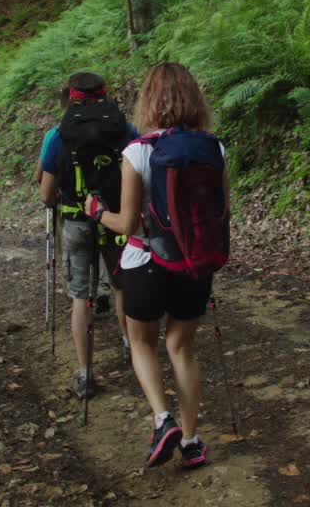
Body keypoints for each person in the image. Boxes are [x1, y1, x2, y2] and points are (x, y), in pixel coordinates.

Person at [85, 62, 223, 470]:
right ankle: (193, 441)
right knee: (182, 346)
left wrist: (97, 212)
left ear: (148, 102)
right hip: (195, 263)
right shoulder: (214, 148)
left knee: (142, 341)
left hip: (144, 259)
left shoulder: (137, 151)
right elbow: (220, 212)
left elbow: (126, 223)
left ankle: (163, 421)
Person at [39, 73, 135, 398]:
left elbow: (45, 194)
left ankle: (85, 373)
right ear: (105, 95)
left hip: (77, 222)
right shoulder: (123, 129)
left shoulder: (58, 134)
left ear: (71, 97)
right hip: (114, 219)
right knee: (121, 286)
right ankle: (130, 348)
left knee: (82, 296)